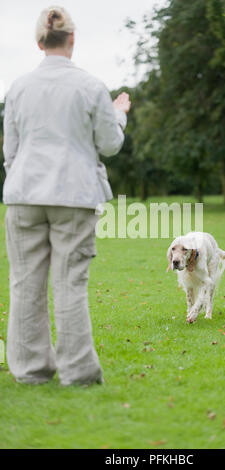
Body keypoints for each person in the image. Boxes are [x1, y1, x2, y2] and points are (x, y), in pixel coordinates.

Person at [2, 6, 131, 386]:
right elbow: (109, 145)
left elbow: (11, 151)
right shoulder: (91, 87)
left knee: (25, 284)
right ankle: (78, 373)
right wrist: (118, 113)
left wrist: (24, 180)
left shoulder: (18, 88)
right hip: (74, 195)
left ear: (38, 40)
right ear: (71, 39)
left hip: (24, 195)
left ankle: (30, 371)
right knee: (69, 284)